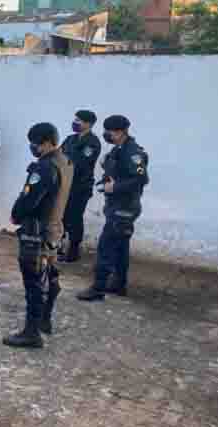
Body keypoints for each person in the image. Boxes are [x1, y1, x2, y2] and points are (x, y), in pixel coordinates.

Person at [3, 123, 73, 349]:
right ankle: (45, 320)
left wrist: (16, 214)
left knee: (34, 284)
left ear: (45, 143)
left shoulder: (44, 168)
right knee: (51, 277)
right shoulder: (66, 162)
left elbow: (29, 199)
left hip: (37, 232)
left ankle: (32, 332)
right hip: (54, 229)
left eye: (34, 143)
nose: (32, 148)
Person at [78, 115, 149, 301]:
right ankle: (119, 285)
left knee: (106, 247)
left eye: (109, 132)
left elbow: (141, 179)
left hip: (124, 208)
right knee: (120, 248)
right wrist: (106, 180)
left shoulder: (132, 152)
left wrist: (114, 187)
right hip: (117, 206)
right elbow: (116, 172)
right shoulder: (119, 149)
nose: (106, 135)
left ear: (120, 132)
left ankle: (98, 289)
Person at [59, 110, 102, 263]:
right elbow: (59, 156)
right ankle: (58, 246)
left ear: (88, 124)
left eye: (79, 120)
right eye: (75, 119)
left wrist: (65, 166)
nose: (75, 122)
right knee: (60, 217)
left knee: (74, 218)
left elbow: (81, 165)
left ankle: (73, 251)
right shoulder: (70, 139)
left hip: (79, 187)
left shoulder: (92, 143)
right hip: (64, 185)